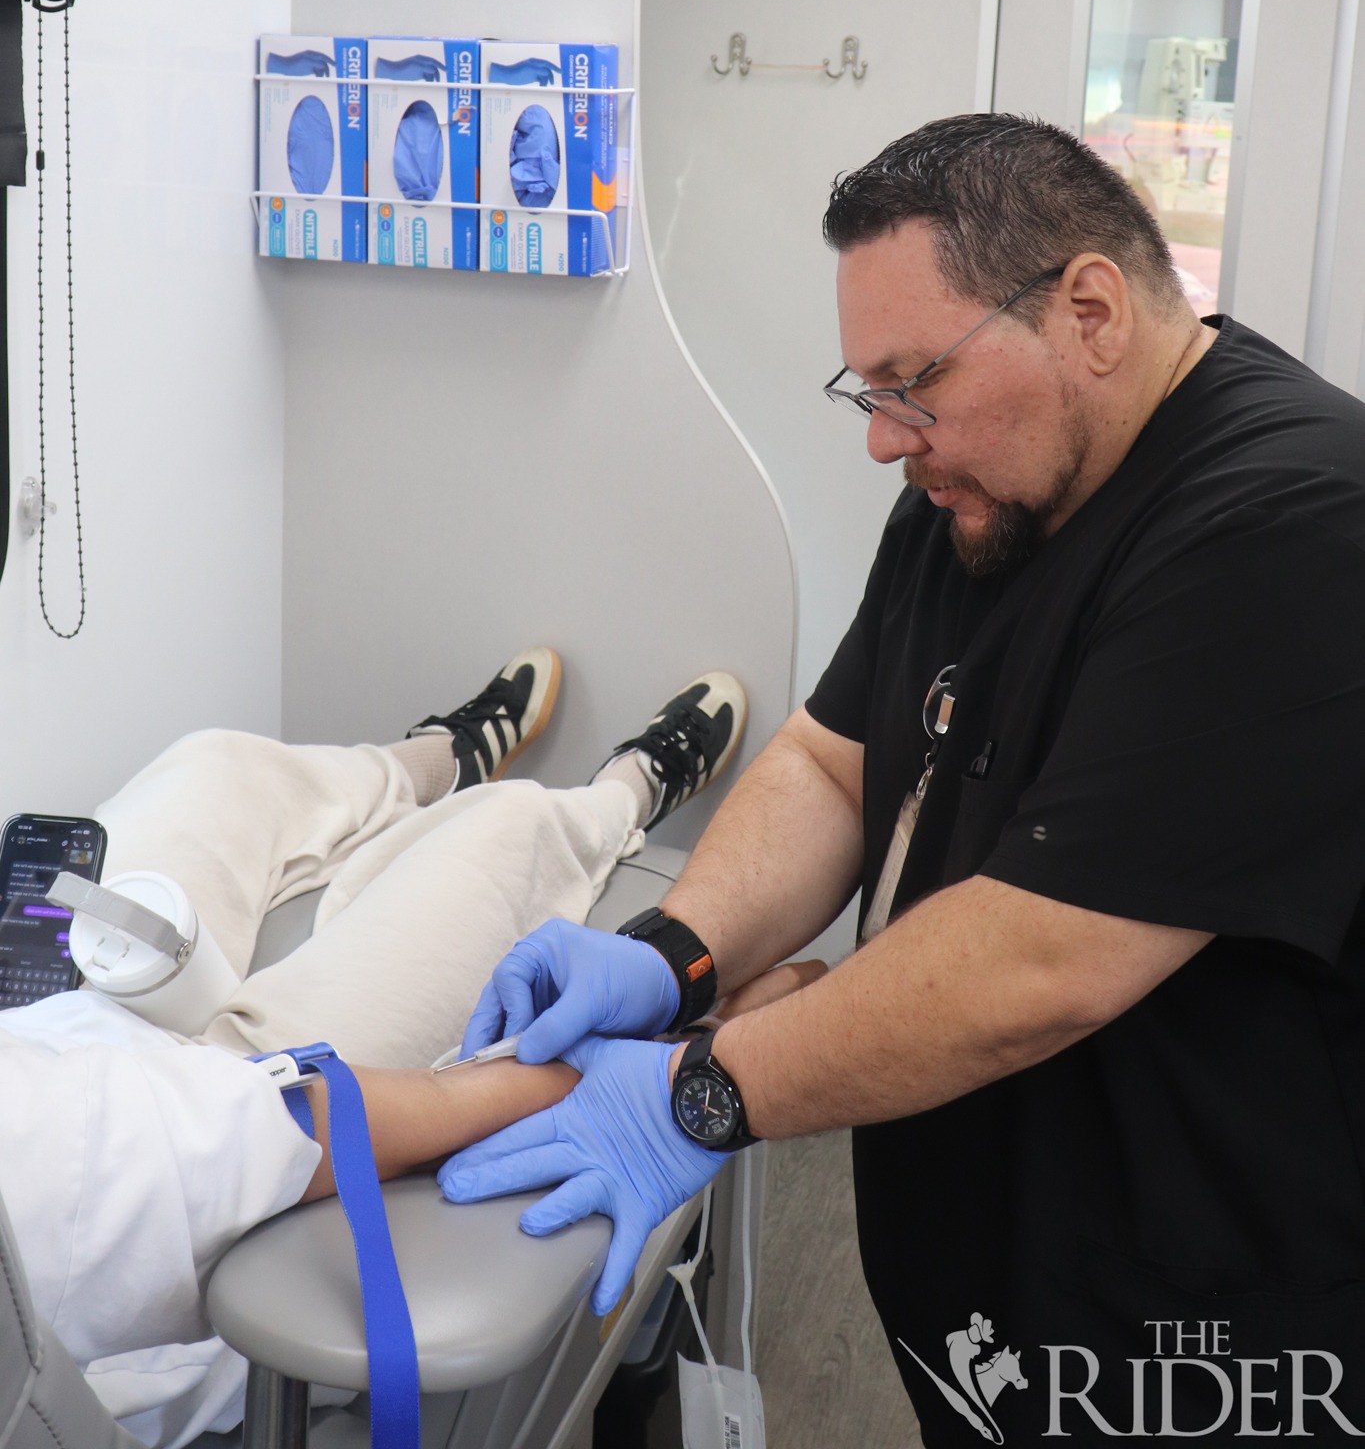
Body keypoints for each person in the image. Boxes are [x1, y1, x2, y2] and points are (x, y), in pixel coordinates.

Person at [448, 113, 1365, 1443]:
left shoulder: (1292, 526)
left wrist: (703, 1093)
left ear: (1090, 310)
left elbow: (1042, 959)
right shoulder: (981, 486)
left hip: (1203, 1339)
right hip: (990, 1296)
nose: (884, 440)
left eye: (910, 381)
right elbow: (835, 761)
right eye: (867, 392)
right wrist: (673, 951)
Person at [0, 651, 747, 1449]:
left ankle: (433, 765)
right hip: (217, 1106)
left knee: (212, 767)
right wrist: (642, 1071)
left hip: (58, 1039)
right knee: (507, 834)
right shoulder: (71, 1177)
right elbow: (291, 1131)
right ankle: (617, 798)